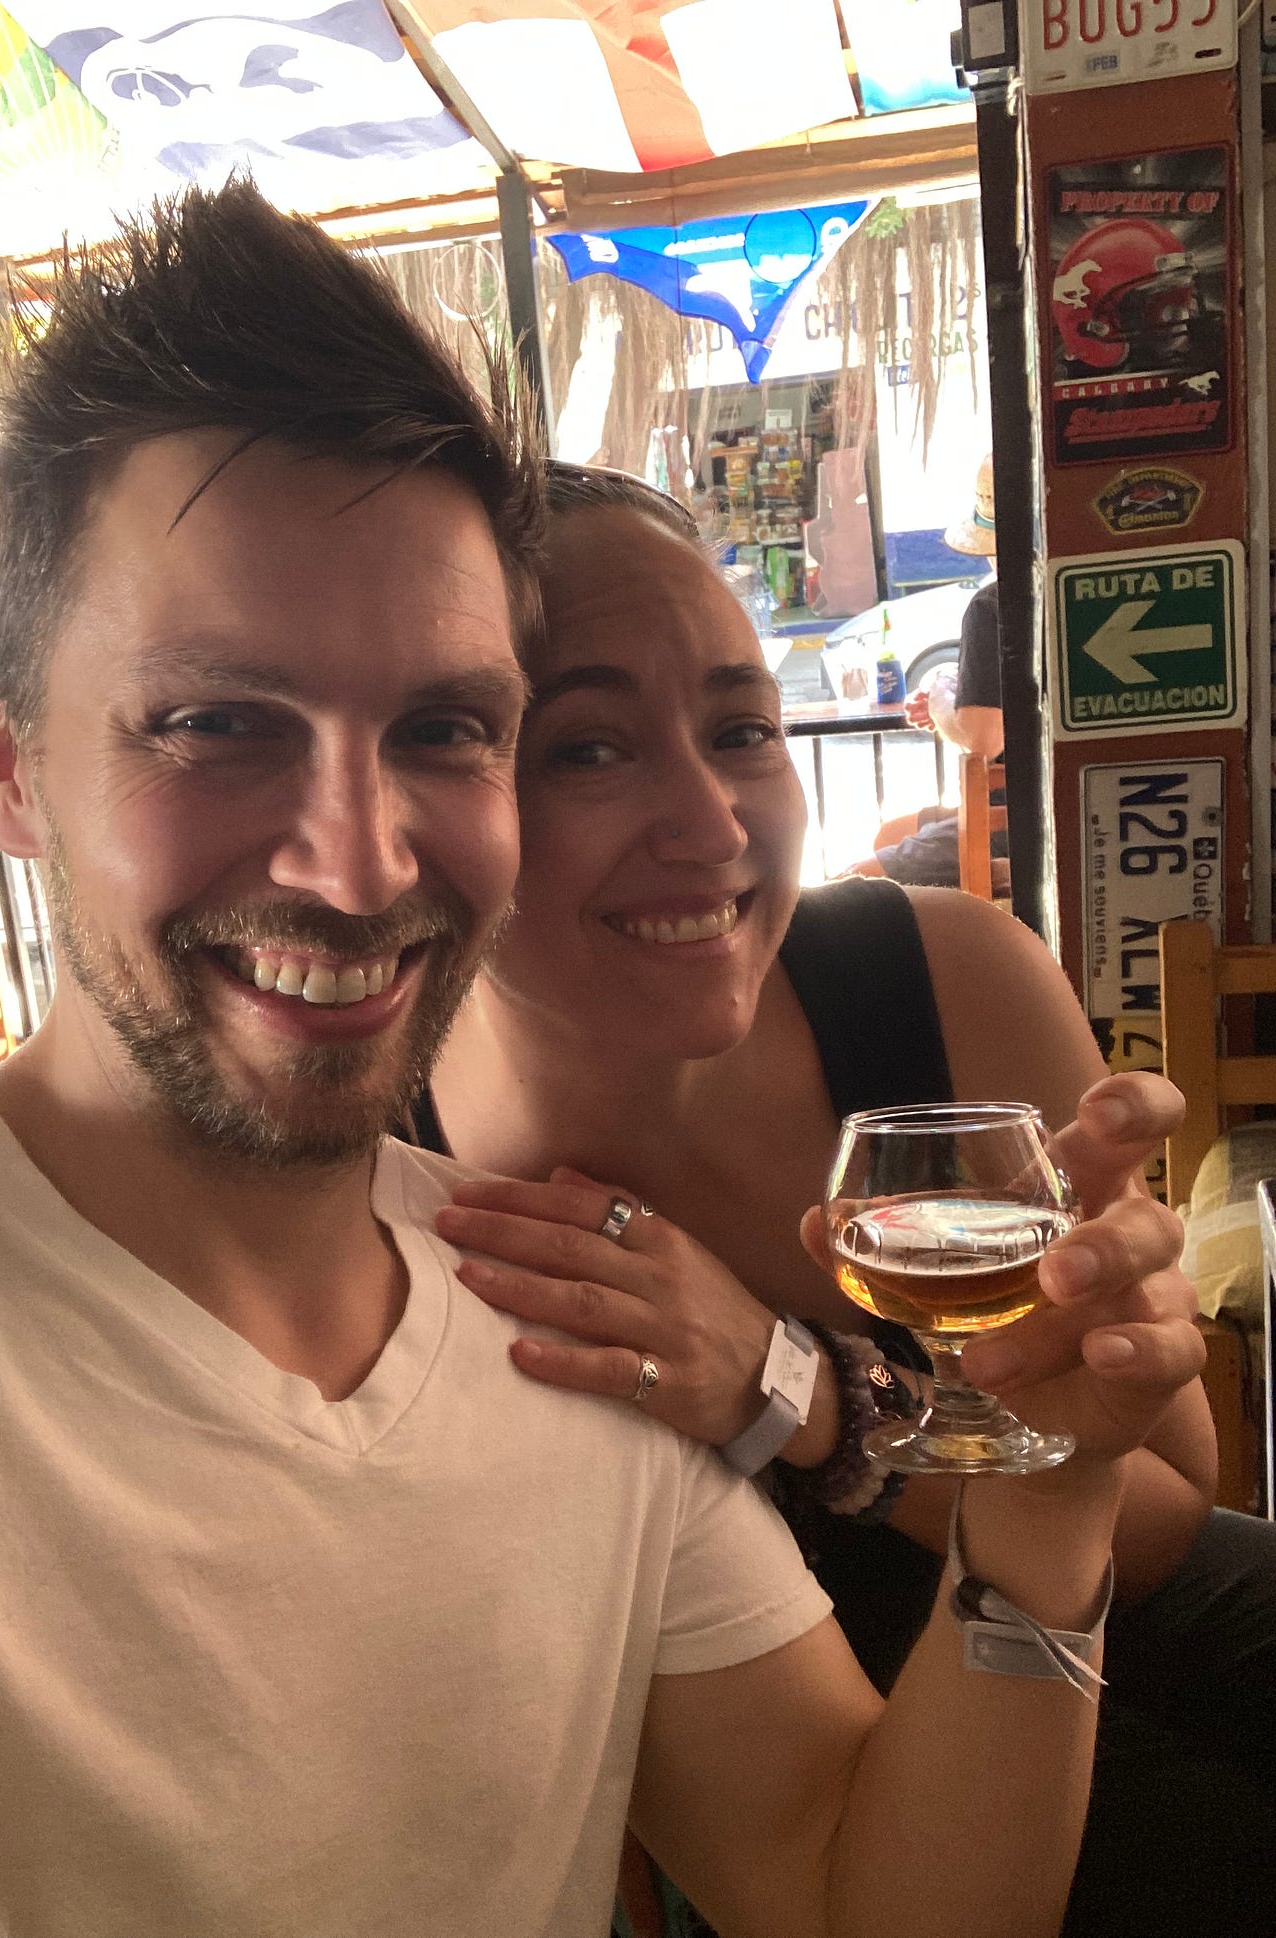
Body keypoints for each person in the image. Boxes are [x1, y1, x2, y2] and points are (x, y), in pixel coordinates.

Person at [0, 186, 1201, 1938]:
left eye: (444, 727)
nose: (357, 861)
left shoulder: (553, 1301)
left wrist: (1040, 1512)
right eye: (217, 722)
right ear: (7, 765)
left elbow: (863, 1897)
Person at [422, 463, 1275, 1938]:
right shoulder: (402, 1182)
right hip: (773, 1733)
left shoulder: (942, 981)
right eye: (587, 749)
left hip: (1088, 1567)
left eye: (741, 730)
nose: (712, 823)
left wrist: (797, 1390)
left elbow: (1156, 1518)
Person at [847, 453, 1004, 887]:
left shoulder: (993, 605)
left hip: (1016, 814)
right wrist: (954, 700)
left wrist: (939, 696)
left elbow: (983, 739)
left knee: (857, 880)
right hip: (1022, 799)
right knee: (889, 834)